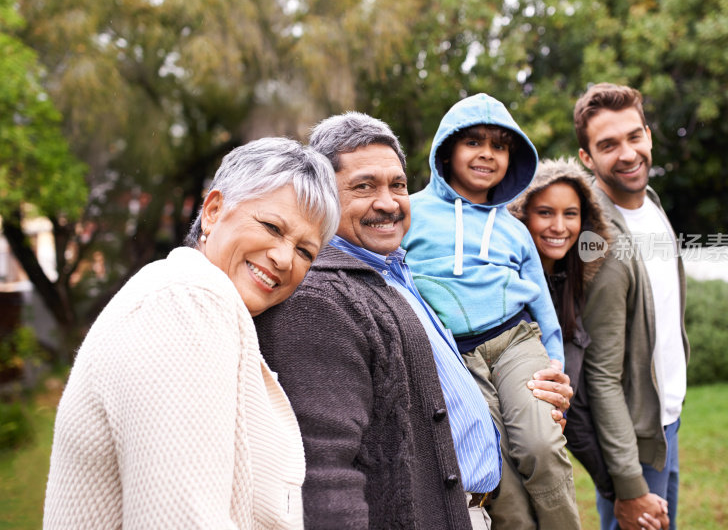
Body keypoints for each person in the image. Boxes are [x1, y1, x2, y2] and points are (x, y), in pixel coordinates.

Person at [254, 112, 573, 530]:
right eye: (364, 186)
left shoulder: (394, 272)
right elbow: (327, 473)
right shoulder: (322, 297)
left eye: (397, 185)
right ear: (323, 197)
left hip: (470, 511)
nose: (388, 202)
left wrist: (540, 388)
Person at [43, 137, 340, 529]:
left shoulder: (202, 303)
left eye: (305, 251)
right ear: (214, 211)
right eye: (271, 227)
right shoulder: (189, 302)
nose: (284, 259)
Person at [402, 93, 581, 530]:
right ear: (447, 151)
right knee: (494, 472)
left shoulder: (515, 231)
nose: (486, 153)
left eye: (499, 145)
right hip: (455, 360)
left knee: (540, 444)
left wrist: (555, 368)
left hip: (515, 342)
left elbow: (542, 306)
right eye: (474, 142)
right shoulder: (410, 214)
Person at [509, 157, 665, 530]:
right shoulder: (511, 290)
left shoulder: (569, 285)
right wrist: (625, 491)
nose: (559, 227)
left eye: (571, 214)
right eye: (545, 212)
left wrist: (625, 491)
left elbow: (575, 405)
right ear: (522, 216)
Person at [574, 82, 689, 530]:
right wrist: (627, 482)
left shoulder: (652, 205)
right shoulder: (597, 239)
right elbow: (601, 375)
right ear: (587, 158)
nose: (627, 154)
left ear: (648, 135)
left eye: (634, 136)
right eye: (608, 145)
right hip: (634, 441)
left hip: (666, 419)